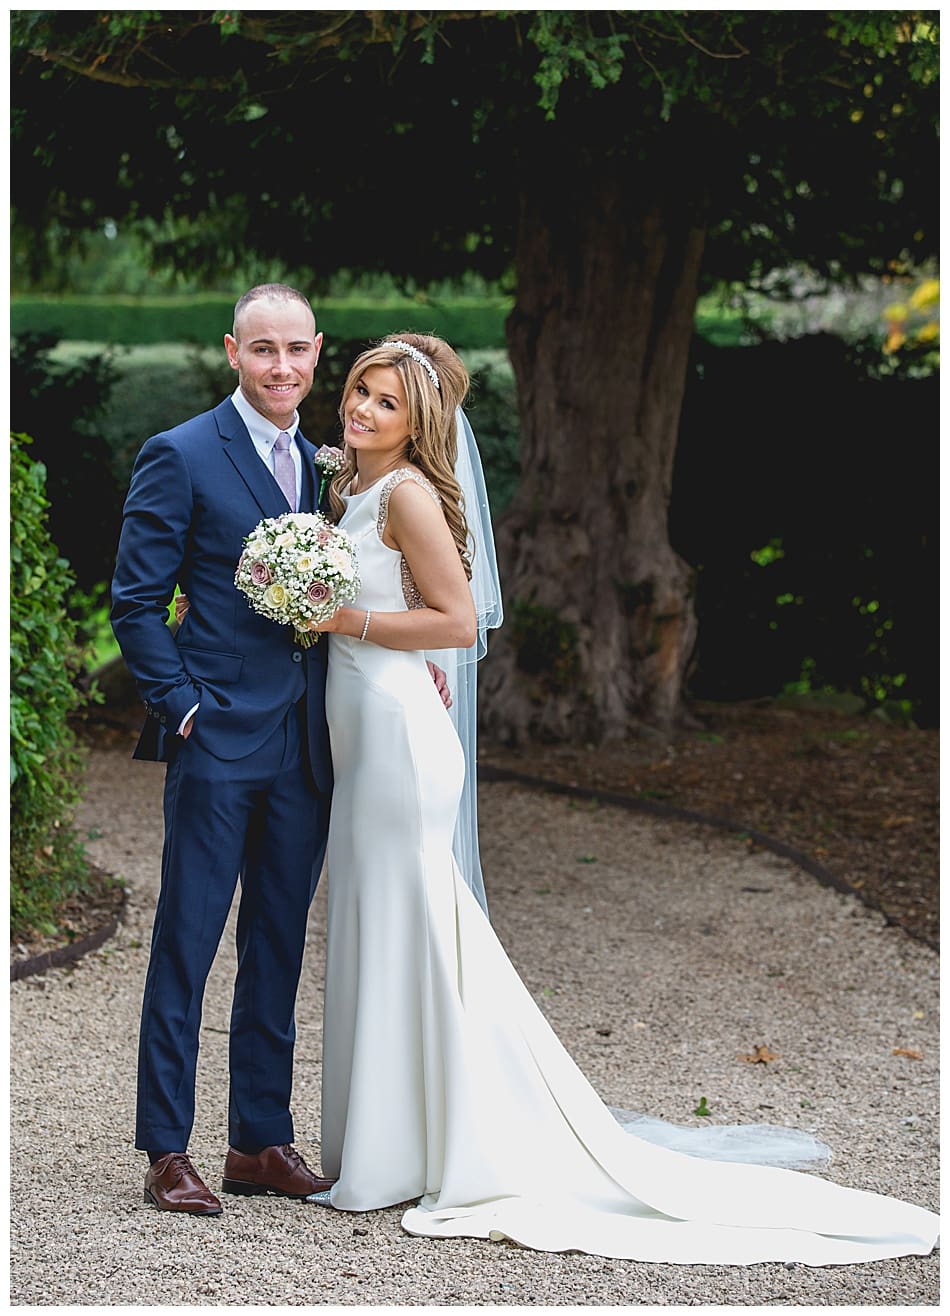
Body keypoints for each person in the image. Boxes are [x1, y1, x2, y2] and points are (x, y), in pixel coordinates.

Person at [302, 332, 938, 1265]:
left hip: (398, 741)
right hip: (365, 731)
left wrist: (341, 619)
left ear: (419, 421)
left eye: (387, 403)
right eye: (360, 391)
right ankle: (391, 1147)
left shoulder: (402, 493)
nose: (362, 410)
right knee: (379, 924)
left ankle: (428, 1152)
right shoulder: (345, 487)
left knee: (414, 930)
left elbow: (458, 616)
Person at [110, 286, 450, 1217]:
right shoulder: (179, 455)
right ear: (233, 352)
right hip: (217, 738)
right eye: (263, 349)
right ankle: (167, 1147)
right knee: (187, 938)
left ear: (316, 353)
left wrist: (421, 658)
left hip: (309, 744)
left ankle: (258, 1138)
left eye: (297, 349)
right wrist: (183, 711)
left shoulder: (329, 467)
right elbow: (136, 604)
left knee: (278, 945)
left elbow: (379, 588)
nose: (281, 366)